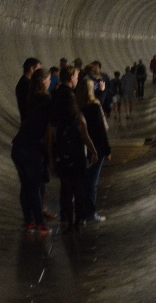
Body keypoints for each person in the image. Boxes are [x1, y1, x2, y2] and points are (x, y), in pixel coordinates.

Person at [49, 65, 98, 232]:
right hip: (75, 151)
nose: (77, 79)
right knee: (77, 188)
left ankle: (68, 221)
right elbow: (83, 130)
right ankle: (78, 220)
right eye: (76, 76)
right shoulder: (71, 99)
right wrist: (93, 150)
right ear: (71, 78)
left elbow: (51, 128)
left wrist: (51, 157)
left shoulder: (55, 96)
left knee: (65, 188)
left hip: (61, 150)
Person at [11, 68, 53, 236]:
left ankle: (29, 221)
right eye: (49, 79)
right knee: (35, 188)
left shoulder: (32, 99)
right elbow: (49, 130)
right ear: (44, 81)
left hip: (18, 147)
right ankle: (40, 224)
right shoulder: (47, 100)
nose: (50, 81)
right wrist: (50, 156)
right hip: (32, 149)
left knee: (25, 187)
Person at [76, 77, 111, 223]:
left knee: (83, 180)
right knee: (92, 181)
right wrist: (107, 150)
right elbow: (100, 131)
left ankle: (81, 213)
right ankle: (90, 213)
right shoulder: (94, 107)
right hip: (96, 147)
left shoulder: (77, 106)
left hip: (82, 147)